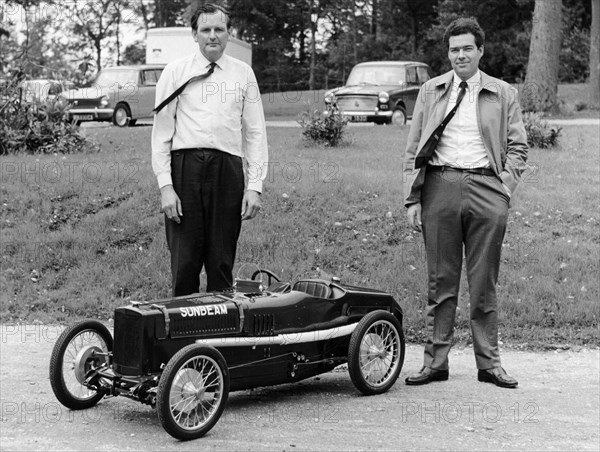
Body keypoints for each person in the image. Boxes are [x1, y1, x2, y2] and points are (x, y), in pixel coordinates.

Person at [402, 17, 528, 388]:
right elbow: (413, 149)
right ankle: (435, 362)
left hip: (487, 188)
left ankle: (489, 364)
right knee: (440, 281)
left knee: (483, 281)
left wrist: (504, 188)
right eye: (454, 49)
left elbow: (519, 147)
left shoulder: (503, 92)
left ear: (480, 51)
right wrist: (412, 199)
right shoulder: (431, 90)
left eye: (467, 48)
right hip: (439, 187)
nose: (460, 55)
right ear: (448, 53)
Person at [152, 3, 268, 296]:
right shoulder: (175, 72)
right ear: (194, 34)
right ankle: (182, 339)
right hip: (185, 171)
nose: (212, 36)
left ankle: (220, 338)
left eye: (219, 29)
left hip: (227, 172)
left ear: (229, 34)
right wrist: (166, 186)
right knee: (185, 263)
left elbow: (255, 133)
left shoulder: (243, 74)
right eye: (205, 30)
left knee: (220, 264)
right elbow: (161, 134)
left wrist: (254, 186)